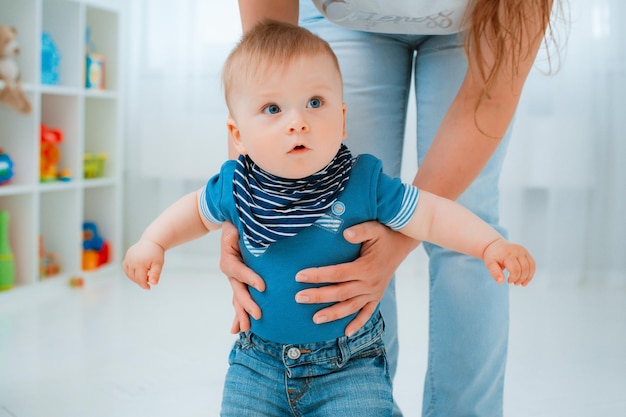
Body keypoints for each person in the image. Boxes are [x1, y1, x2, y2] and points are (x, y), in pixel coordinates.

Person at [124, 21, 535, 416]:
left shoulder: (363, 182)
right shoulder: (236, 186)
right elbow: (194, 211)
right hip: (257, 365)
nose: (298, 121)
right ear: (238, 134)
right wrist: (153, 241)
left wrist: (488, 243)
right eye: (272, 108)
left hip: (349, 366)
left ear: (342, 118)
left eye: (315, 103)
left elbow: (431, 213)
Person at [221, 1, 560, 417]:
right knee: (346, 227)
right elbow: (257, 75)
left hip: (476, 22)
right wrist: (248, 210)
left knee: (467, 230)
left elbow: (490, 100)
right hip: (343, 20)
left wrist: (429, 239)